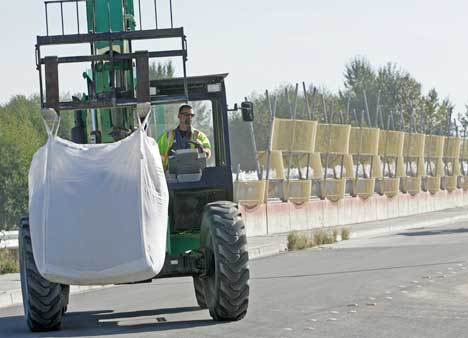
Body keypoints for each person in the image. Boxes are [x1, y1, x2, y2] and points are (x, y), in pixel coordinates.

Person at [157, 104, 211, 170]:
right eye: (186, 114)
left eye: (192, 115)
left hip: (194, 175)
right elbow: (156, 155)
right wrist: (167, 156)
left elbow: (208, 153)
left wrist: (201, 149)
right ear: (179, 116)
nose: (189, 117)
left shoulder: (199, 136)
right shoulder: (168, 136)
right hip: (172, 176)